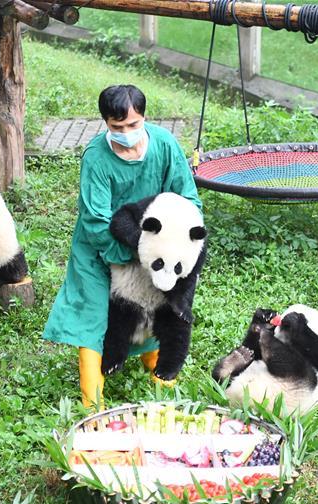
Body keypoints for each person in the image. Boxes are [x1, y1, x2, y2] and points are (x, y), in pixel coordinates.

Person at [43, 84, 201, 408]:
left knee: (157, 306)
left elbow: (188, 199)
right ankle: (92, 403)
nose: (127, 133)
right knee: (94, 317)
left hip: (153, 248)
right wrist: (129, 255)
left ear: (144, 117)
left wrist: (164, 249)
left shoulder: (165, 145)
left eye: (133, 125)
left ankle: (160, 375)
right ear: (105, 123)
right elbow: (96, 221)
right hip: (100, 249)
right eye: (118, 128)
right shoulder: (97, 159)